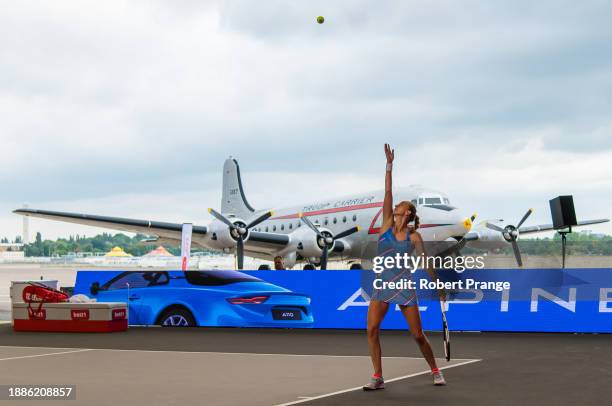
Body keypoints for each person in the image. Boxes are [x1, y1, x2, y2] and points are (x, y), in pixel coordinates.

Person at [363, 143, 447, 391]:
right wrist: (389, 165)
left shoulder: (414, 237)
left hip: (403, 286)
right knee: (371, 330)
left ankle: (435, 369)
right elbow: (387, 190)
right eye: (397, 206)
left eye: (402, 207)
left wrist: (438, 285)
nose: (397, 206)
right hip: (382, 285)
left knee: (418, 335)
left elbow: (426, 263)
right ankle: (377, 376)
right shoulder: (386, 224)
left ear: (408, 213)